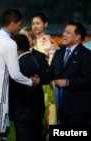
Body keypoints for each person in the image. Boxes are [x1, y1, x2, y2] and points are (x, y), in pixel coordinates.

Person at [0, 9, 39, 141]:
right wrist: (30, 82)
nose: (19, 27)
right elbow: (15, 74)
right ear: (12, 23)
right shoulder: (9, 43)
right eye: (19, 24)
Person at [43, 21, 91, 125]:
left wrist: (68, 82)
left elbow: (89, 79)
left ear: (78, 37)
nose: (64, 34)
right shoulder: (59, 53)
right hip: (61, 109)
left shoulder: (86, 55)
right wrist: (37, 79)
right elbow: (51, 72)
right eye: (64, 31)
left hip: (79, 110)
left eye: (68, 32)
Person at [9, 34, 44, 141]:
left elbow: (21, 88)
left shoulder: (22, 63)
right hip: (31, 111)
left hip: (25, 112)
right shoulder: (30, 59)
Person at [31, 12, 59, 141]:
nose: (35, 26)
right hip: (32, 84)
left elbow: (53, 68)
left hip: (46, 84)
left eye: (38, 23)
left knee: (48, 115)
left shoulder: (50, 44)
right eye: (33, 24)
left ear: (45, 24)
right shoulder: (32, 42)